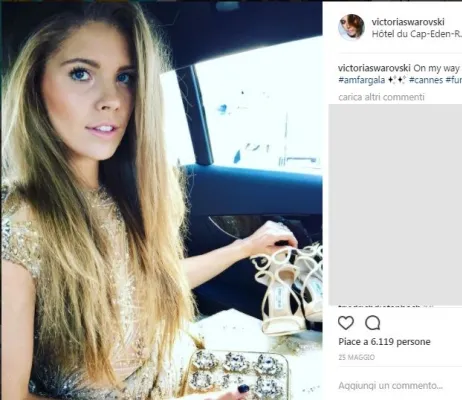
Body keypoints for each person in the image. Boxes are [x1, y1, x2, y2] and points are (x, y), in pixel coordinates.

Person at [1, 3, 298, 399]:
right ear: (35, 86)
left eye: (125, 77)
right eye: (81, 73)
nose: (112, 99)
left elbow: (151, 289)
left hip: (183, 364)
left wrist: (245, 247)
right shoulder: (19, 229)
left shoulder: (120, 193)